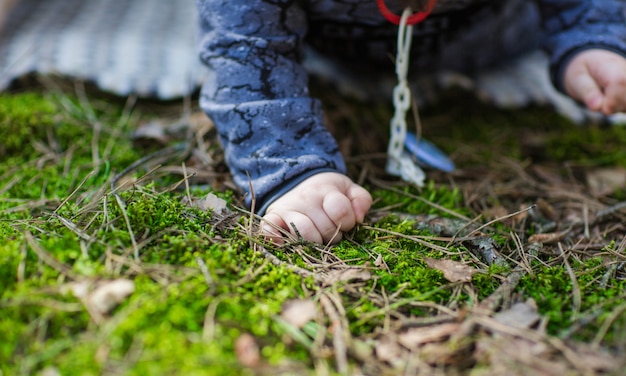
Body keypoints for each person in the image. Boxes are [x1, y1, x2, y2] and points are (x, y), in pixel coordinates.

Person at [195, 0, 626, 245]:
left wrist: (592, 39)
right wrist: (291, 168)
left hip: (497, 37)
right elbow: (246, 52)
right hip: (323, 46)